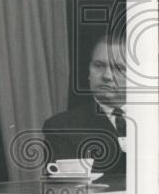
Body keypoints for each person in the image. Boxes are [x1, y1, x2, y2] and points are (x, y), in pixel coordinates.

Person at [43, 32, 127, 176]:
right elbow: (66, 191)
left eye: (118, 68)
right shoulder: (62, 127)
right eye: (99, 66)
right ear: (89, 71)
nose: (107, 76)